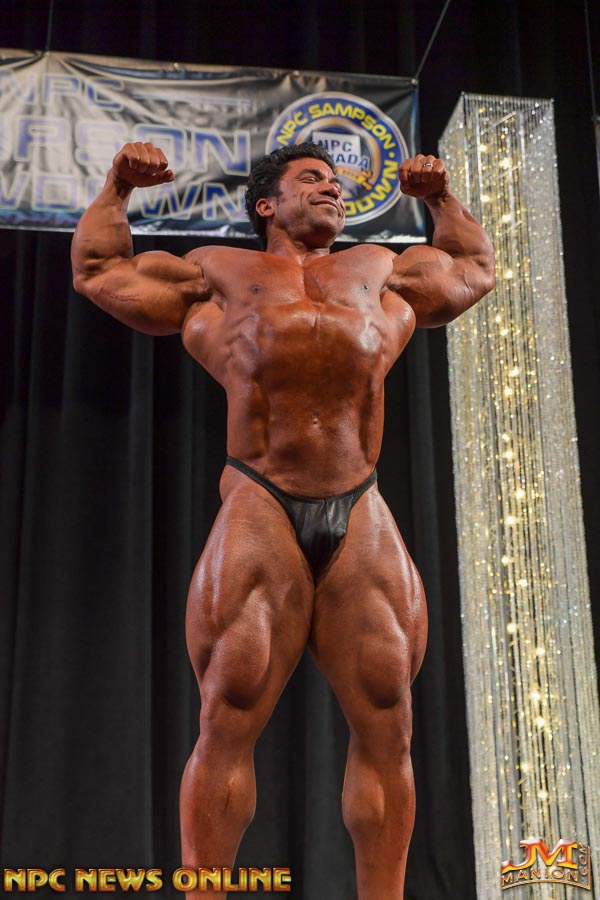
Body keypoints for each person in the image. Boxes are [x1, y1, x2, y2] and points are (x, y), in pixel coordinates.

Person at [71, 139, 494, 898]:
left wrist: (440, 199)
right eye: (312, 180)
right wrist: (117, 188)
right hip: (261, 498)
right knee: (228, 711)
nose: (332, 190)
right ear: (267, 204)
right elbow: (100, 270)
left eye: (336, 183)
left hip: (359, 502)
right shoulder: (217, 273)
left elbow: (472, 269)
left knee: (389, 718)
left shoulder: (380, 269)